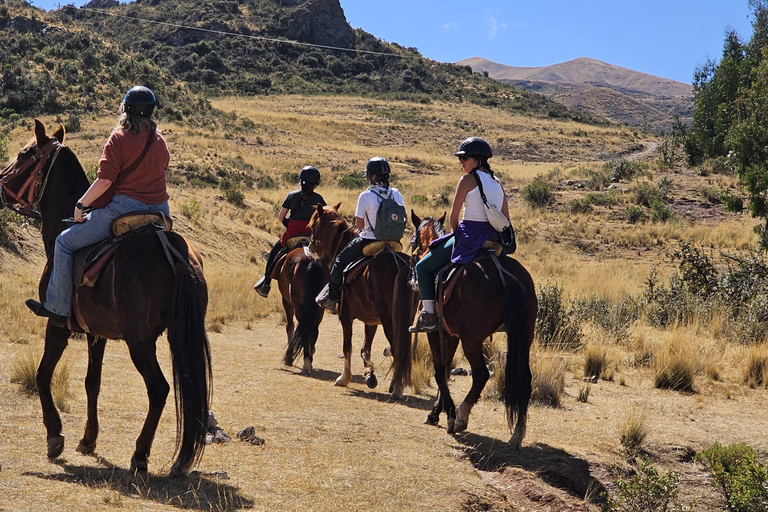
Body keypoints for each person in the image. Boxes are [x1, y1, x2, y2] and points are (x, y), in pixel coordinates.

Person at [25, 86, 171, 327]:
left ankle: (57, 307)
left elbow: (105, 181)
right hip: (159, 213)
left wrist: (82, 204)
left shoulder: (119, 138)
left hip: (124, 211)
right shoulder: (160, 142)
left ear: (125, 110)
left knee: (64, 242)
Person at [409, 137, 510, 333]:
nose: (461, 162)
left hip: (469, 236)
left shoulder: (466, 180)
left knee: (422, 267)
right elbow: (506, 218)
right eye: (460, 158)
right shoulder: (498, 184)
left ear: (478, 160)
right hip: (494, 240)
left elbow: (453, 218)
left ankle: (429, 314)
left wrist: (458, 236)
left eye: (464, 158)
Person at [316, 156, 406, 313]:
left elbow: (359, 226)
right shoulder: (396, 193)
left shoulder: (365, 196)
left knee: (339, 261)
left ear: (371, 176)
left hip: (370, 241)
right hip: (393, 242)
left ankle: (332, 298)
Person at [253, 165, 325, 297]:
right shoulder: (319, 199)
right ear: (315, 184)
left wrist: (290, 225)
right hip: (311, 235)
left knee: (274, 252)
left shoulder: (291, 196)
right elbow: (324, 217)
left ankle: (266, 283)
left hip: (292, 235)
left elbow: (281, 217)